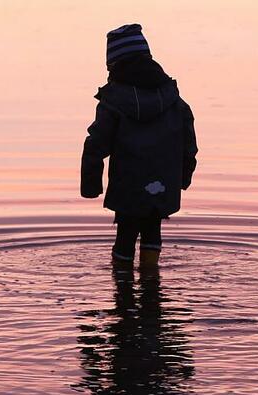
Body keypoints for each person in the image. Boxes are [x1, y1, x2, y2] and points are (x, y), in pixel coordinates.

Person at [80, 23, 198, 267]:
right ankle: (151, 285)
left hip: (128, 185)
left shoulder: (112, 102)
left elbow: (96, 145)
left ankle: (122, 291)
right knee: (153, 230)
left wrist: (91, 185)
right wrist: (183, 178)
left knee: (125, 234)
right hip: (163, 183)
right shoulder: (175, 100)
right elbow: (189, 145)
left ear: (113, 65)